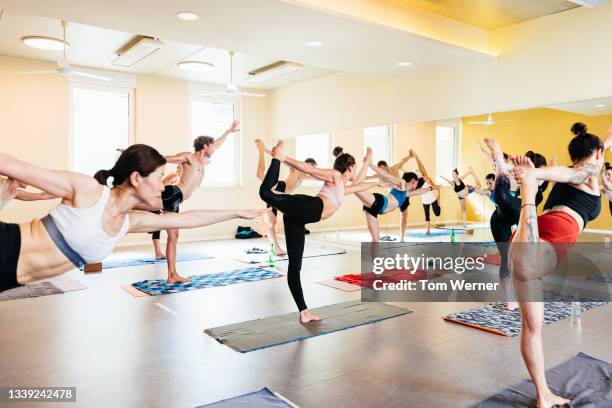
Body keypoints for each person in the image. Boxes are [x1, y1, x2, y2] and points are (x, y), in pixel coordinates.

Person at [0, 144, 267, 293]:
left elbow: (187, 219)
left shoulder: (131, 221)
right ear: (137, 178)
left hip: (11, 277)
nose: (164, 186)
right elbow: (16, 167)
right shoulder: (88, 190)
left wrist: (237, 212)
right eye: (160, 178)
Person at [509, 122, 610, 408]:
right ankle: (526, 192)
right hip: (547, 237)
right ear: (598, 154)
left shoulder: (577, 171)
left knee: (532, 327)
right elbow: (572, 171)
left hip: (531, 233)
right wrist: (534, 174)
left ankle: (544, 396)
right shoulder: (589, 171)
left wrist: (534, 173)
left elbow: (569, 169)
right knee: (532, 324)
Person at [259, 142, 383, 323]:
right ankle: (277, 159)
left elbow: (359, 187)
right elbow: (308, 169)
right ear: (349, 168)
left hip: (300, 217)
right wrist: (283, 158)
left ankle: (304, 312)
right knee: (266, 193)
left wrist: (379, 182)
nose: (355, 171)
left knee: (295, 266)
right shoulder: (335, 176)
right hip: (308, 207)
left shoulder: (341, 186)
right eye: (355, 167)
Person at [144, 120, 241, 283]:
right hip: (172, 193)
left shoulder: (203, 161)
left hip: (176, 200)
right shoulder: (189, 157)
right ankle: (114, 206)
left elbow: (217, 144)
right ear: (205, 146)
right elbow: (169, 158)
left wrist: (228, 132)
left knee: (174, 236)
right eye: (211, 146)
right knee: (140, 208)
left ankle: (172, 274)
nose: (214, 147)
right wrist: (141, 156)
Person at [481, 139, 549, 311]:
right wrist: (497, 159)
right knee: (506, 258)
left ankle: (527, 290)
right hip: (500, 218)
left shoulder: (540, 178)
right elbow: (502, 169)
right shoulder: (518, 174)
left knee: (523, 258)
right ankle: (510, 300)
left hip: (521, 211)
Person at [353, 148, 434, 242]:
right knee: (356, 187)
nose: (383, 171)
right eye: (381, 170)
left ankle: (402, 237)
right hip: (384, 201)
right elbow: (375, 176)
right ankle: (366, 159)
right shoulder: (395, 180)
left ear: (387, 166)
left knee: (377, 239)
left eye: (384, 169)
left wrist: (410, 156)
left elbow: (403, 163)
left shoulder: (395, 170)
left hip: (385, 204)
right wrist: (368, 165)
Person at [255, 139, 317, 255]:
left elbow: (319, 176)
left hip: (283, 195)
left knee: (271, 222)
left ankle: (276, 248)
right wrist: (267, 150)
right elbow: (280, 158)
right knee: (260, 176)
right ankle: (261, 149)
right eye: (312, 167)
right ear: (308, 164)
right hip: (280, 187)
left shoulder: (305, 176)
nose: (311, 170)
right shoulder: (296, 168)